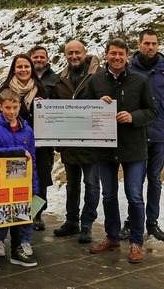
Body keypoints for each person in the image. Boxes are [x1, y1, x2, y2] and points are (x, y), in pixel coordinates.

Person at [85, 38, 158, 263]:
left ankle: (136, 242)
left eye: (121, 54)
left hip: (133, 147)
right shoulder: (95, 80)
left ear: (127, 57)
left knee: (135, 195)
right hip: (105, 148)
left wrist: (133, 117)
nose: (117, 57)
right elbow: (85, 111)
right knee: (108, 195)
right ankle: (112, 236)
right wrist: (97, 103)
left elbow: (152, 111)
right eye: (113, 53)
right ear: (106, 55)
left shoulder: (140, 80)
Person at [121, 29, 164, 242]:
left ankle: (152, 222)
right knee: (134, 182)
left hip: (160, 133)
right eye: (146, 43)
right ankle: (131, 221)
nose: (150, 47)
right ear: (139, 44)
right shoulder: (129, 69)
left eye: (154, 44)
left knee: (154, 180)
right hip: (135, 134)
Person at [0, 53, 48, 257]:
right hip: (10, 149)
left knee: (31, 192)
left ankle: (26, 235)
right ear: (13, 69)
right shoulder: (5, 90)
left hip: (35, 145)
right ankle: (0, 238)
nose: (23, 70)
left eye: (27, 66)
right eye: (19, 67)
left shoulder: (41, 90)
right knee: (3, 198)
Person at [52, 40, 103, 244]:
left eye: (77, 53)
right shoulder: (60, 79)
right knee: (72, 184)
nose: (74, 56)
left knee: (91, 184)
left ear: (85, 53)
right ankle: (71, 220)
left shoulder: (99, 76)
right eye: (70, 53)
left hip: (92, 141)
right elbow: (54, 107)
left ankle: (87, 224)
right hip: (70, 142)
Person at [0, 89, 39, 272]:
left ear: (20, 106)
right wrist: (17, 152)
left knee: (17, 215)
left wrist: (34, 185)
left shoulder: (27, 129)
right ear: (0, 107)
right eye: (8, 108)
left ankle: (16, 249)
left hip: (19, 180)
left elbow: (33, 161)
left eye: (15, 107)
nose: (12, 112)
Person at [28, 46, 56, 231]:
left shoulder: (55, 80)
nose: (39, 60)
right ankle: (25, 211)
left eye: (42, 57)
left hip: (46, 135)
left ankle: (38, 213)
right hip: (25, 134)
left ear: (47, 59)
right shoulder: (23, 77)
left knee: (42, 178)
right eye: (35, 57)